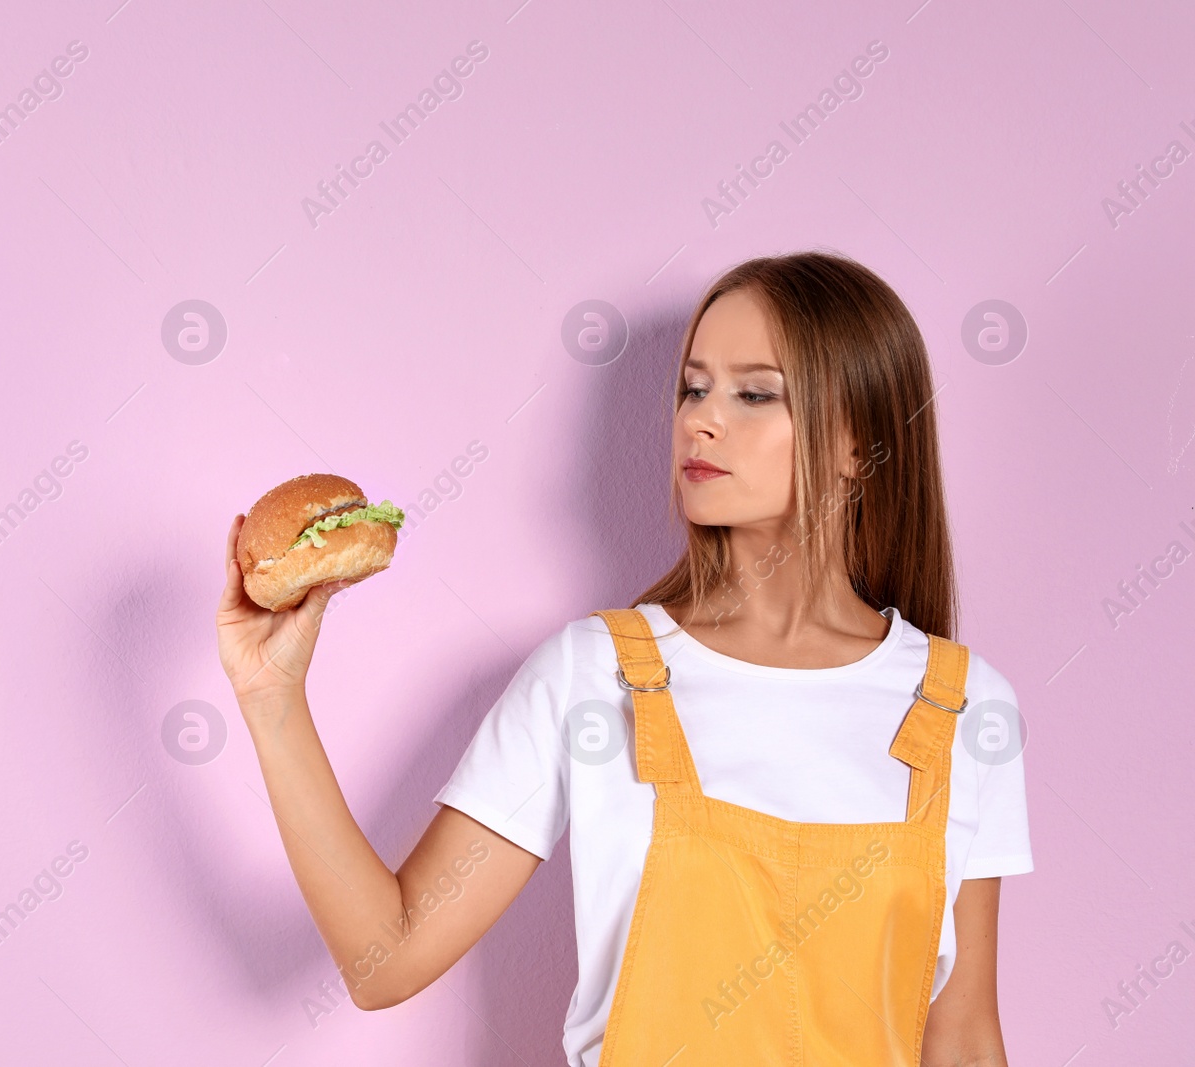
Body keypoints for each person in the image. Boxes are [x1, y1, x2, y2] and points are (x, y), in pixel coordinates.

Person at [216, 250, 1033, 1066]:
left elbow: (961, 1039)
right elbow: (385, 958)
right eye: (693, 387)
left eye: (755, 393)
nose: (701, 420)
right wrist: (271, 693)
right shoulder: (590, 675)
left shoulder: (964, 708)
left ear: (862, 446)